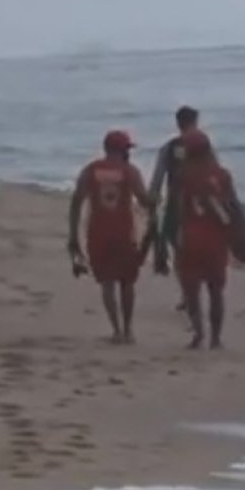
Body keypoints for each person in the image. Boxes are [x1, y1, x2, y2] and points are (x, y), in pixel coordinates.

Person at [68, 129, 154, 344]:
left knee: (107, 283)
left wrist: (73, 235)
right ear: (124, 150)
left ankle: (116, 330)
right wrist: (157, 199)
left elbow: (76, 202)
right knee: (127, 283)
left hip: (98, 233)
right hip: (124, 233)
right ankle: (128, 330)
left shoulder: (90, 170)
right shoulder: (129, 171)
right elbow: (144, 200)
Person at [176, 129, 243, 350]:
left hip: (191, 238)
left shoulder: (183, 175)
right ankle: (215, 338)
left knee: (192, 291)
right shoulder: (223, 175)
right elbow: (233, 206)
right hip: (216, 240)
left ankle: (198, 333)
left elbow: (178, 209)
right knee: (216, 291)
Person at [149, 105, 199, 296]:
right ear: (195, 123)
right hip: (200, 205)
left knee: (179, 252)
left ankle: (187, 292)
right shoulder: (203, 147)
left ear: (178, 124)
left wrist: (152, 202)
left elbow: (157, 179)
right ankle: (192, 289)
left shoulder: (168, 148)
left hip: (176, 206)